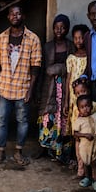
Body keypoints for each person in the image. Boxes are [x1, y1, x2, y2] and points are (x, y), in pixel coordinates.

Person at [0, 4, 42, 166]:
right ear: (8, 17)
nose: (15, 16)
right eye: (12, 14)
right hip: (4, 86)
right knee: (1, 120)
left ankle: (18, 152)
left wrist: (31, 90)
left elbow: (36, 66)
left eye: (18, 14)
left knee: (23, 120)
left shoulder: (33, 39)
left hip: (23, 88)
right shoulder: (1, 38)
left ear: (23, 16)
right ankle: (0, 152)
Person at [37, 14, 74, 163]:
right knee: (47, 116)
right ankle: (45, 147)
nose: (59, 30)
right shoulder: (47, 46)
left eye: (63, 27)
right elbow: (43, 69)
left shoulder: (70, 46)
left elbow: (72, 66)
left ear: (67, 29)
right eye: (56, 27)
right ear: (53, 28)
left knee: (62, 117)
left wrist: (57, 69)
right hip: (49, 86)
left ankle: (61, 151)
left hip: (65, 86)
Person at [69, 78, 96, 178]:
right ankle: (81, 172)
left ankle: (93, 177)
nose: (81, 94)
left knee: (93, 155)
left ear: (88, 91)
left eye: (83, 91)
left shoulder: (94, 105)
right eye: (78, 93)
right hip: (80, 137)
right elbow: (74, 122)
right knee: (80, 155)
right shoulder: (77, 107)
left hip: (92, 136)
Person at [73, 95, 96, 191]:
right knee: (85, 163)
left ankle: (95, 180)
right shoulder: (79, 121)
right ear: (79, 109)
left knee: (94, 163)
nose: (85, 109)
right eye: (82, 107)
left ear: (92, 107)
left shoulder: (95, 116)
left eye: (88, 106)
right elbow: (75, 134)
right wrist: (85, 135)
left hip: (94, 145)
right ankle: (87, 178)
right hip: (84, 147)